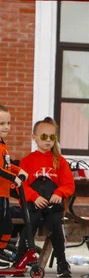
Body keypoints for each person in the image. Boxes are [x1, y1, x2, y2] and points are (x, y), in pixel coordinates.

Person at [19, 117, 75, 278]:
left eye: (52, 137)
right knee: (29, 225)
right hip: (34, 204)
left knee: (56, 226)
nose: (48, 140)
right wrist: (34, 196)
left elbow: (69, 184)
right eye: (44, 136)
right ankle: (20, 260)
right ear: (34, 137)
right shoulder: (27, 161)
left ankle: (62, 263)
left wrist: (59, 193)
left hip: (52, 205)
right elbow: (21, 185)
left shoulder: (60, 161)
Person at [0, 105, 27, 252]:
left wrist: (20, 170)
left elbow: (7, 165)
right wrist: (13, 178)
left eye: (8, 123)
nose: (6, 127)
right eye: (1, 124)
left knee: (7, 227)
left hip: (3, 194)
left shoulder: (3, 146)